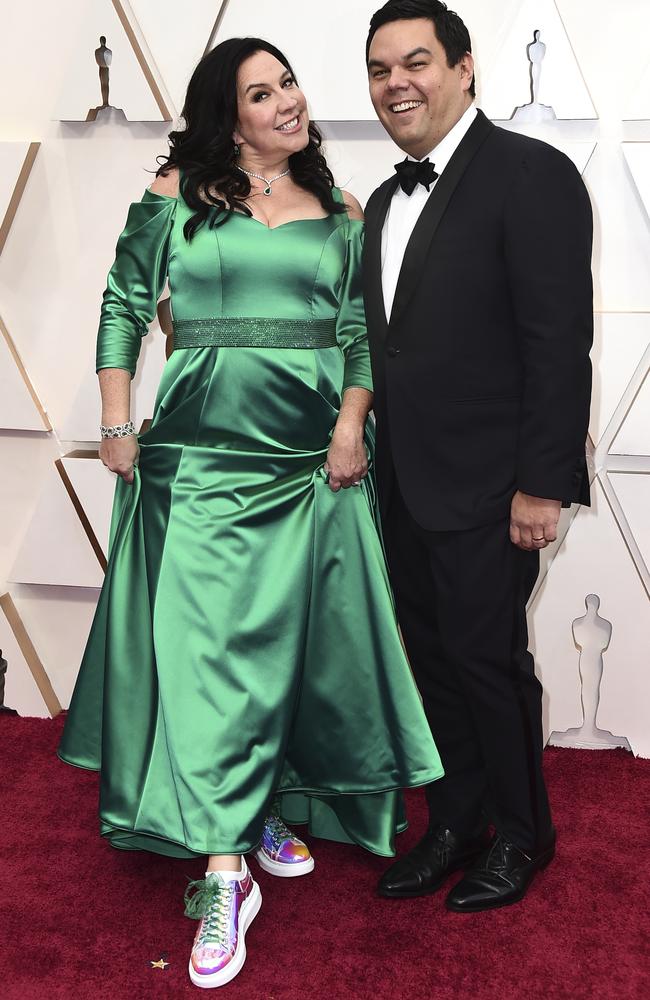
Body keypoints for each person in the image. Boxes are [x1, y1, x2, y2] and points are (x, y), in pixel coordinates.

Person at [58, 36, 443, 988]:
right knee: (204, 653)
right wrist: (116, 419)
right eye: (260, 92)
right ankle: (224, 876)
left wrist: (352, 426)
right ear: (225, 115)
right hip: (193, 465)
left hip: (310, 466)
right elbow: (121, 305)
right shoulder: (174, 196)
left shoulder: (343, 212)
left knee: (287, 650)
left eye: (290, 85)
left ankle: (257, 800)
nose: (287, 103)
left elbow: (358, 338)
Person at [362, 0, 593, 912]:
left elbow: (556, 342)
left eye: (416, 62)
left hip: (496, 489)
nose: (396, 84)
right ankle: (456, 824)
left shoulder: (531, 174)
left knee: (488, 663)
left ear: (465, 69)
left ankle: (524, 836)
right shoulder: (382, 199)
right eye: (380, 70)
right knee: (433, 662)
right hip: (404, 487)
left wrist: (542, 483)